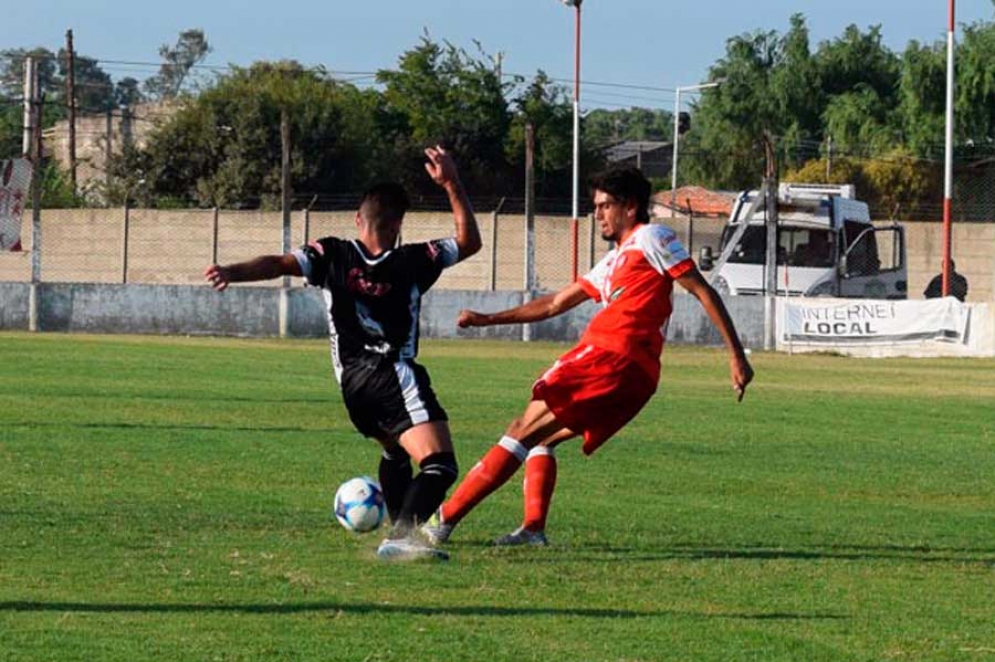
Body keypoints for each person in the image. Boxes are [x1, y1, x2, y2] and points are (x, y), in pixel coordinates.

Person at [421, 166, 754, 547]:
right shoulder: (613, 261)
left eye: (605, 205)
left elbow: (702, 290)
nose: (597, 214)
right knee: (542, 438)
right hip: (636, 375)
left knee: (520, 429)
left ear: (630, 207)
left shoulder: (652, 237)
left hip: (610, 356)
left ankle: (442, 521)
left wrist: (736, 356)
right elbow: (556, 303)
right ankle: (532, 530)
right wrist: (489, 319)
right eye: (595, 206)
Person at [204, 145, 481, 561]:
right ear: (398, 225)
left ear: (357, 218)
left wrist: (231, 272)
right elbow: (469, 242)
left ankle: (398, 532)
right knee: (440, 464)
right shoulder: (413, 260)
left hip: (352, 386)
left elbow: (278, 263)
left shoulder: (330, 253)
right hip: (392, 374)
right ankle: (403, 538)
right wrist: (451, 183)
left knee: (394, 450)